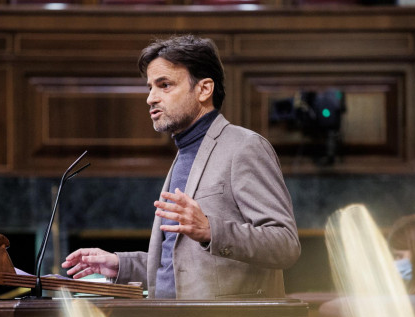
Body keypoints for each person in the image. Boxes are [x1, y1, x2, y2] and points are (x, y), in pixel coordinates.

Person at [62, 34, 300, 299]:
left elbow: (285, 244)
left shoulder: (244, 147)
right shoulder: (185, 152)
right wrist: (122, 265)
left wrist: (211, 230)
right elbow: (184, 264)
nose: (150, 98)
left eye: (164, 85)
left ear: (204, 89)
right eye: (150, 87)